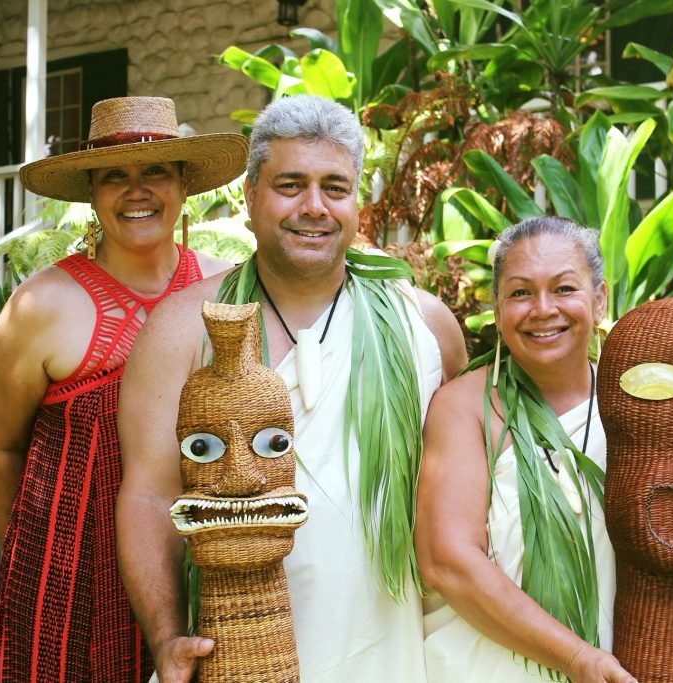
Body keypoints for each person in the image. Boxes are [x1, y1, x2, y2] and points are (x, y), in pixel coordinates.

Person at [115, 94, 468, 683]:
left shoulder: (425, 325)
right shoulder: (183, 327)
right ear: (251, 197)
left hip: (396, 649)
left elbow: (461, 499)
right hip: (233, 646)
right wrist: (167, 637)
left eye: (335, 187)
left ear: (359, 203)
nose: (314, 207)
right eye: (290, 185)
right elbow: (150, 497)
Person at [415, 216, 673, 683]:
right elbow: (448, 562)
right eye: (520, 292)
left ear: (600, 299)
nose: (543, 309)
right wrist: (577, 658)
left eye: (565, 288)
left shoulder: (650, 404)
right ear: (497, 307)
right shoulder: (465, 406)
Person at [0, 96, 247, 682]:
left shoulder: (224, 290)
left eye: (155, 170)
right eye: (114, 177)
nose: (137, 191)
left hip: (199, 571)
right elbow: (2, 449)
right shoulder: (39, 306)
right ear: (92, 194)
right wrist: (30, 567)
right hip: (67, 578)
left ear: (183, 185)